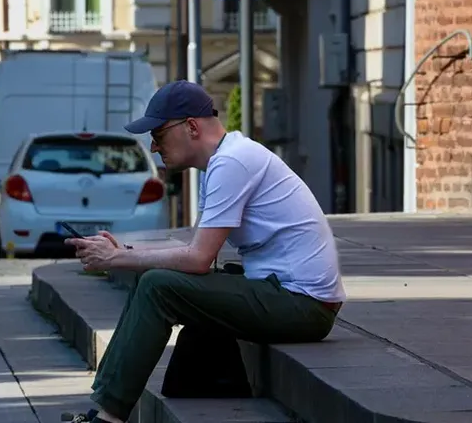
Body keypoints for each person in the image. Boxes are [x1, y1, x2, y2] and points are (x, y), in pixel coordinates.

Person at [63, 80, 346, 423]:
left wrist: (118, 259)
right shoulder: (225, 161)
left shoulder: (233, 163)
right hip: (286, 295)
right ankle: (102, 409)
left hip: (302, 306)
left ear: (191, 127)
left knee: (156, 286)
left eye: (158, 134)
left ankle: (108, 418)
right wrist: (121, 249)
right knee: (150, 281)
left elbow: (197, 260)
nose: (153, 147)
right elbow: (195, 249)